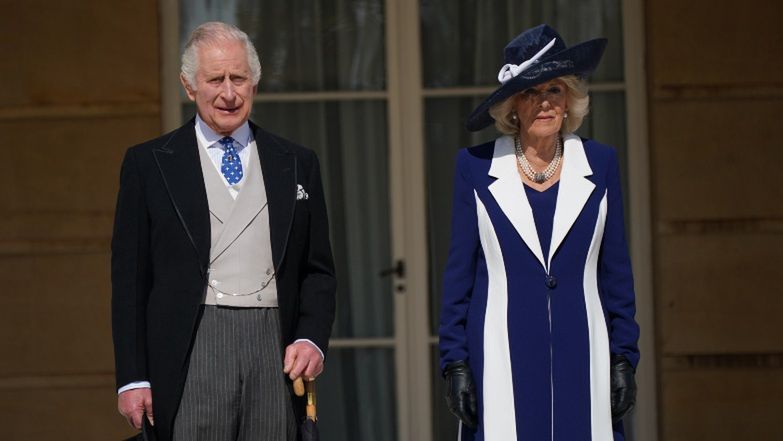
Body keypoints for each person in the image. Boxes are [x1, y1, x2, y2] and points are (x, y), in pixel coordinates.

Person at [111, 21, 336, 441]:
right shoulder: (149, 164)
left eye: (239, 78)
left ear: (255, 83)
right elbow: (130, 282)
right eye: (215, 79)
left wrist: (311, 338)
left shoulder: (296, 161)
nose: (229, 93)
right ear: (189, 86)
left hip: (273, 345)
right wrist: (132, 377)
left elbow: (317, 270)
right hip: (193, 343)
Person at [438, 24, 640, 441]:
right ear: (513, 105)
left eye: (554, 90)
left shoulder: (600, 162)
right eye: (530, 91)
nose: (544, 102)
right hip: (499, 357)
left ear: (569, 100)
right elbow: (459, 276)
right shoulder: (475, 167)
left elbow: (616, 272)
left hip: (585, 354)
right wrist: (455, 362)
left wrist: (624, 356)